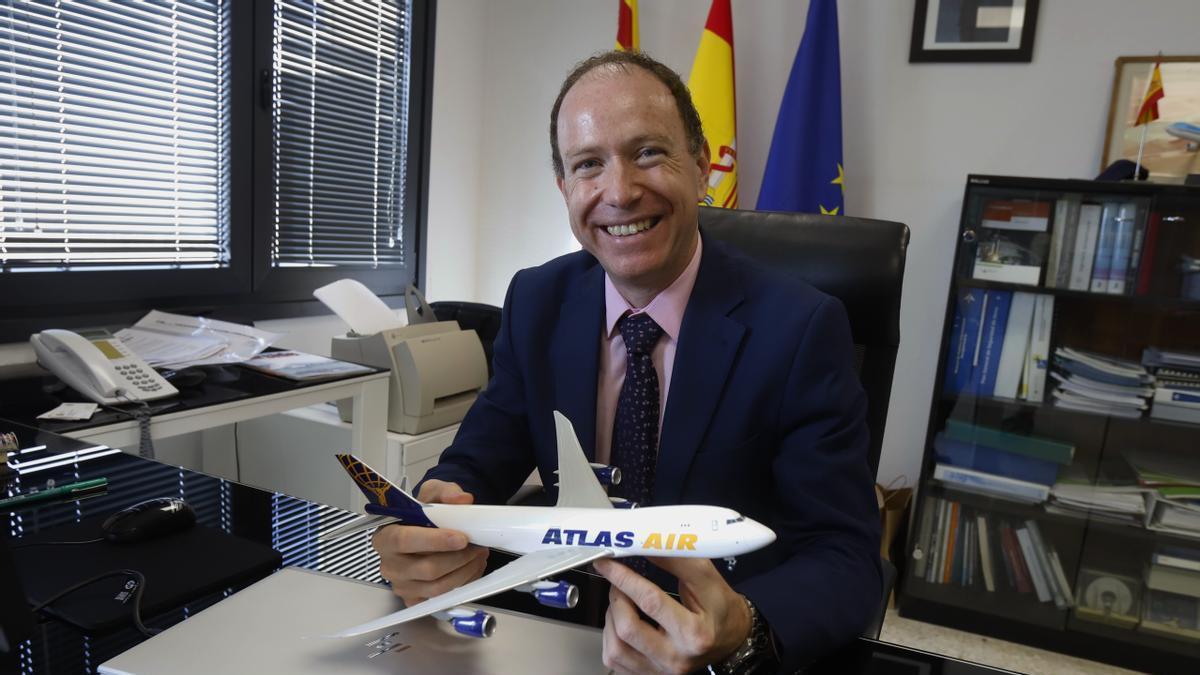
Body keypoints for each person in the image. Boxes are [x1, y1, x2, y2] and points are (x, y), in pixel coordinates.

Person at [371, 50, 881, 674]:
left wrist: (744, 629)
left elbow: (847, 556)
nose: (620, 192)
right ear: (564, 188)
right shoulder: (537, 301)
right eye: (588, 165)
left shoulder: (800, 328)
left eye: (647, 153)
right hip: (563, 637)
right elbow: (479, 457)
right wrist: (435, 522)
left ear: (699, 166)